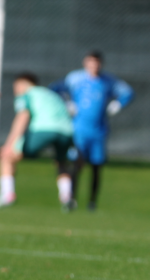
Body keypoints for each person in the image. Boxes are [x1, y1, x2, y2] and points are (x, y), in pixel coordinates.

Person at [51, 51, 134, 211]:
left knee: (96, 167)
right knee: (76, 164)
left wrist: (118, 104)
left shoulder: (108, 81)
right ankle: (71, 199)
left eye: (96, 62)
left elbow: (128, 93)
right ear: (85, 63)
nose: (94, 66)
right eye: (91, 62)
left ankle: (92, 202)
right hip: (79, 130)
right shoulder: (75, 78)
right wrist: (67, 103)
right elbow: (55, 88)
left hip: (99, 130)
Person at [0, 73, 76, 210]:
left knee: (7, 156)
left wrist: (9, 144)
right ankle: (66, 197)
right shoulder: (51, 94)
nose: (15, 90)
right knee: (61, 162)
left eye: (16, 86)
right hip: (67, 131)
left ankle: (7, 194)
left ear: (22, 84)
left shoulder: (27, 94)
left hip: (44, 129)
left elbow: (23, 116)